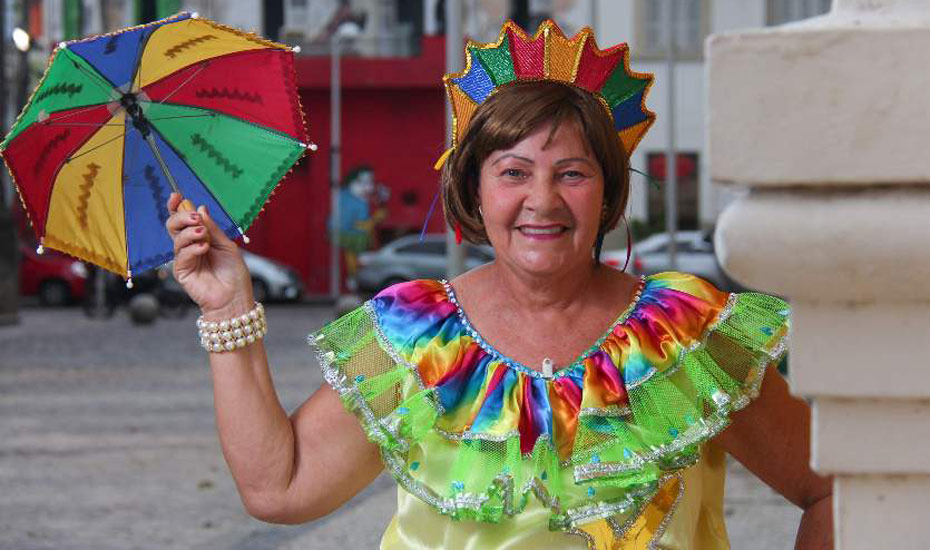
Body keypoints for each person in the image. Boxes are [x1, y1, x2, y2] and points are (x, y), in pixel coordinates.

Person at [165, 20, 832, 550]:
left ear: (607, 195)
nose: (542, 200)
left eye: (571, 172)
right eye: (513, 172)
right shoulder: (405, 334)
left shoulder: (685, 334)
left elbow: (830, 491)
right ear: (475, 195)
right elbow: (281, 489)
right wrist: (230, 308)